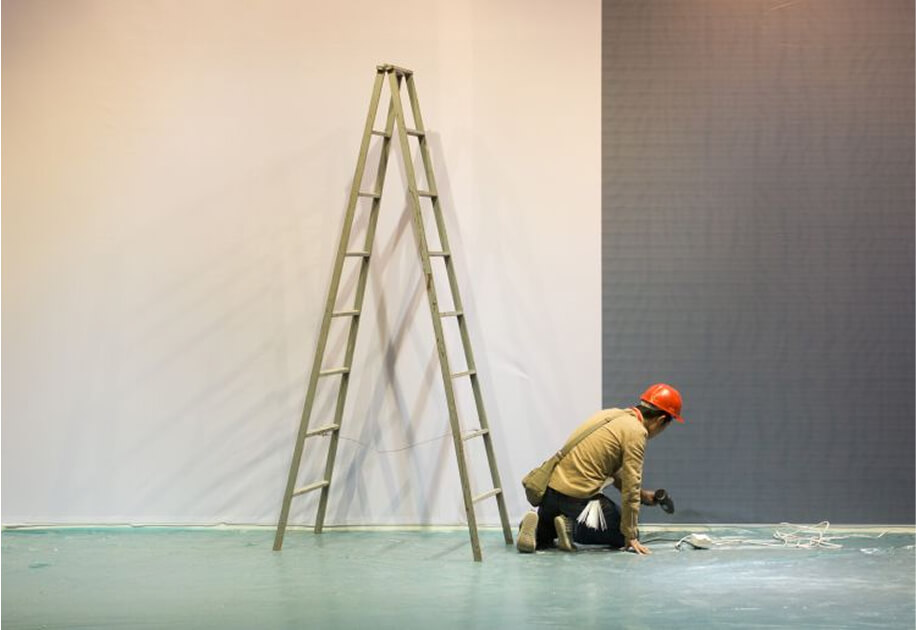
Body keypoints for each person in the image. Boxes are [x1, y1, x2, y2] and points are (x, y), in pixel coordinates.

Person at [516, 383, 685, 555]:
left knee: (545, 539)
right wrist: (630, 535)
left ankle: (540, 530)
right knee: (621, 534)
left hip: (550, 492)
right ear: (660, 420)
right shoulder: (637, 432)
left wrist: (643, 496)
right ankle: (571, 527)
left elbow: (612, 470)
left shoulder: (611, 414)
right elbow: (630, 488)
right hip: (579, 500)